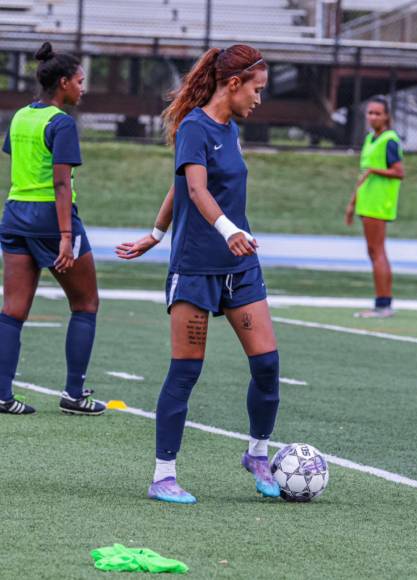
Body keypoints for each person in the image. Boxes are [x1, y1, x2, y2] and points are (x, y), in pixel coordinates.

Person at [116, 44, 280, 504]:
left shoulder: (229, 130)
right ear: (233, 84)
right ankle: (163, 475)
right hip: (195, 268)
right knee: (185, 372)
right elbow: (191, 185)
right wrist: (223, 230)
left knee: (267, 366)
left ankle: (258, 453)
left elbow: (183, 186)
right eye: (256, 90)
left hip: (239, 266)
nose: (259, 100)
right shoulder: (194, 127)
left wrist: (154, 231)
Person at [0, 42, 105, 416]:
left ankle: (2, 395)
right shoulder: (61, 123)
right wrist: (65, 236)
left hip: (14, 214)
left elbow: (18, 159)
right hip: (51, 219)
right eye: (79, 81)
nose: (83, 88)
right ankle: (74, 395)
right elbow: (61, 184)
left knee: (12, 310)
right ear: (63, 83)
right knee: (86, 304)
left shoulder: (21, 117)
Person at [345, 96, 405, 318]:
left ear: (387, 116)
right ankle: (383, 302)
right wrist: (352, 203)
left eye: (377, 113)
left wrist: (374, 171)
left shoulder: (389, 140)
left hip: (379, 202)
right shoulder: (371, 138)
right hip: (367, 201)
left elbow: (399, 172)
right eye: (370, 113)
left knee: (377, 251)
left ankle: (383, 305)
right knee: (373, 251)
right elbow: (363, 176)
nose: (372, 117)